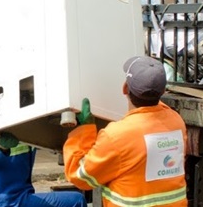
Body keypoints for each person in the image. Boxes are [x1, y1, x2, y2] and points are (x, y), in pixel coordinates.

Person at [63, 56, 188, 207]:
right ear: (162, 91)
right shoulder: (176, 122)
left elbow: (80, 176)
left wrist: (83, 130)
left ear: (125, 88)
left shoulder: (116, 136)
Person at [0, 97, 87, 207]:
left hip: (20, 196)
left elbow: (48, 140)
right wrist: (1, 147)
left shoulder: (26, 106)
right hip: (3, 201)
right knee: (76, 201)